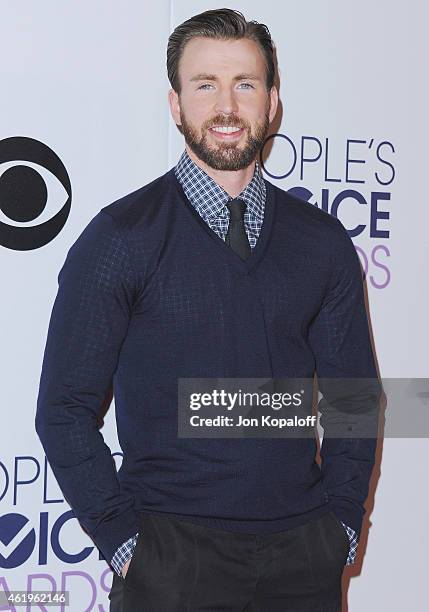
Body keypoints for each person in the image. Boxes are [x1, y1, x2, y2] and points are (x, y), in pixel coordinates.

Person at [35, 8, 381, 612]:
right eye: (205, 85)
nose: (226, 106)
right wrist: (124, 544)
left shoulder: (322, 243)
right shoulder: (120, 237)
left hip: (304, 557)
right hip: (169, 560)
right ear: (175, 104)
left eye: (244, 84)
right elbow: (63, 410)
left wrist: (341, 526)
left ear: (272, 101)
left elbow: (356, 398)